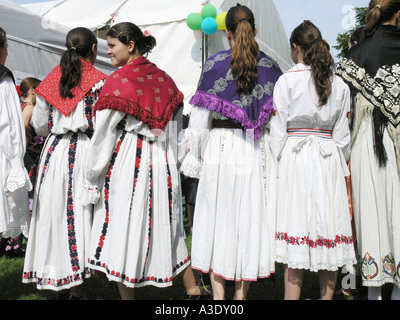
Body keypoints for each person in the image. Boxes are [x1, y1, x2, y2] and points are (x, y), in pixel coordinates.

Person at [82, 22, 191, 300]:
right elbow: (176, 128)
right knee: (163, 220)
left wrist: (92, 173)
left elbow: (103, 132)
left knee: (125, 221)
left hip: (132, 155)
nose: (107, 52)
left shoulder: (119, 80)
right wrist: (174, 161)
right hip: (163, 156)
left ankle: (128, 292)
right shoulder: (166, 79)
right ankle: (179, 282)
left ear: (130, 45)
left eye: (112, 45)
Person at [180, 4, 282, 300]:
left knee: (215, 219)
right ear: (256, 31)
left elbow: (199, 122)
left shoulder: (213, 65)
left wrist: (195, 156)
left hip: (221, 147)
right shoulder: (272, 68)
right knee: (249, 220)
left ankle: (218, 299)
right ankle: (240, 299)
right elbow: (277, 123)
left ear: (226, 33)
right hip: (254, 147)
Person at [269, 20, 357, 300]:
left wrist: (277, 165)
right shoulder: (339, 85)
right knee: (328, 227)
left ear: (295, 48)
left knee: (297, 225)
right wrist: (337, 166)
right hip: (328, 157)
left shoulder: (286, 81)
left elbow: (277, 131)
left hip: (296, 157)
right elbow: (343, 137)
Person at [22, 27, 108, 299]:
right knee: (78, 214)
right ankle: (74, 285)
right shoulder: (99, 82)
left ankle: (58, 274)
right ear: (93, 49)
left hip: (54, 150)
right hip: (83, 148)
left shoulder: (51, 80)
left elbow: (38, 125)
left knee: (54, 213)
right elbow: (102, 125)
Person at [336, 0, 400, 300]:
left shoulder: (357, 53)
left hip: (365, 141)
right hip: (392, 140)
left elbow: (339, 105)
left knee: (369, 211)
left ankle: (372, 291)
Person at [0, 27, 31, 247]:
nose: (8, 53)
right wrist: (16, 163)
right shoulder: (3, 78)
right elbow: (9, 124)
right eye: (7, 47)